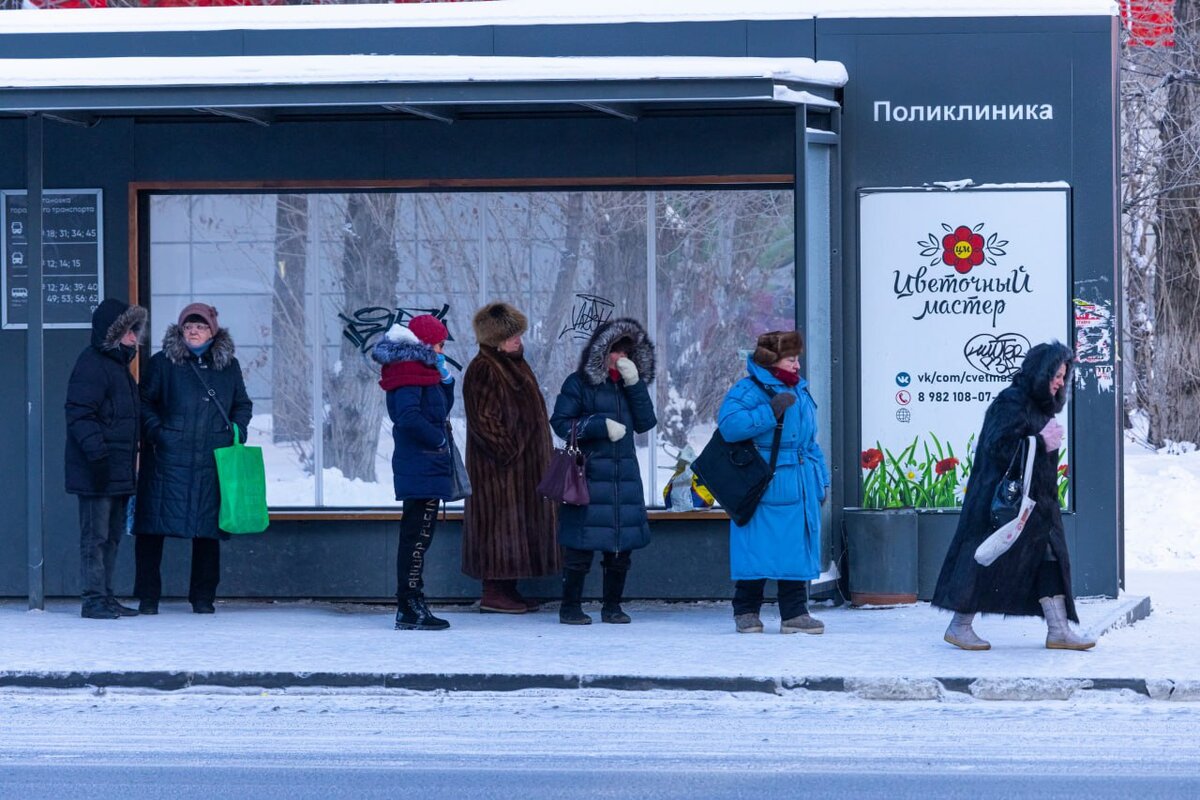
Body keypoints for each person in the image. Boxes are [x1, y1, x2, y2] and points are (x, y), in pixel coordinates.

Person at [932, 341, 1094, 651]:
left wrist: (1041, 443)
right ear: (1041, 372)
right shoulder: (1011, 401)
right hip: (1004, 503)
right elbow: (997, 446)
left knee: (1049, 556)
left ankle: (1059, 630)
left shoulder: (1038, 406)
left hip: (1036, 505)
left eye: (1064, 377)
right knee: (987, 557)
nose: (1060, 383)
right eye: (1056, 375)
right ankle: (959, 625)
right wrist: (1039, 441)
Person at [133, 303, 252, 615]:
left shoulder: (228, 366)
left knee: (207, 532)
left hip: (211, 459)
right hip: (166, 459)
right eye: (188, 326)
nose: (194, 331)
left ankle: (203, 598)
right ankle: (148, 598)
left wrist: (236, 431)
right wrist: (157, 432)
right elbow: (144, 402)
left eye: (200, 326)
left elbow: (242, 404)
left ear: (212, 331)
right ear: (180, 330)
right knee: (152, 530)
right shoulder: (162, 363)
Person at [716, 330, 830, 634]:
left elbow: (810, 442)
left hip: (799, 482)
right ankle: (746, 611)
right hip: (762, 484)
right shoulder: (749, 389)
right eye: (791, 359)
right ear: (772, 359)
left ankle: (795, 613)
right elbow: (729, 427)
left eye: (797, 359)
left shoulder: (799, 389)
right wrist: (770, 410)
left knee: (795, 550)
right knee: (755, 548)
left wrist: (821, 480)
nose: (797, 365)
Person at [550, 317, 656, 625]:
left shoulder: (628, 385)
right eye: (616, 351)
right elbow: (561, 423)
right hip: (587, 475)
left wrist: (635, 384)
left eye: (627, 352)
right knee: (580, 547)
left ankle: (612, 607)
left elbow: (646, 422)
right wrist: (599, 425)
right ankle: (570, 607)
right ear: (602, 352)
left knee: (620, 549)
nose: (621, 357)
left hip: (624, 477)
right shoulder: (578, 383)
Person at [462, 302, 559, 614]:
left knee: (515, 528)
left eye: (518, 333)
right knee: (498, 528)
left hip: (520, 469)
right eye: (510, 335)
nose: (518, 339)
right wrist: (512, 451)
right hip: (499, 471)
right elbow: (484, 420)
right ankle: (493, 591)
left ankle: (508, 588)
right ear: (494, 340)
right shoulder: (484, 368)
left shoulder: (513, 363)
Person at [372, 314, 457, 631]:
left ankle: (412, 603)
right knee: (416, 538)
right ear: (424, 344)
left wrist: (446, 381)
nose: (442, 350)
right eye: (439, 344)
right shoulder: (408, 372)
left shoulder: (421, 370)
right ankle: (409, 605)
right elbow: (407, 416)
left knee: (419, 537)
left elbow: (437, 410)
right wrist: (437, 440)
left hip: (426, 463)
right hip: (421, 462)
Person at [65, 298, 148, 619]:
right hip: (96, 469)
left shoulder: (118, 368)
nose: (134, 338)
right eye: (128, 332)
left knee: (111, 537)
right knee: (95, 538)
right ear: (112, 334)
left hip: (117, 469)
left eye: (135, 331)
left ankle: (105, 596)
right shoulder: (93, 364)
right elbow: (80, 414)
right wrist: (98, 456)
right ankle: (93, 599)